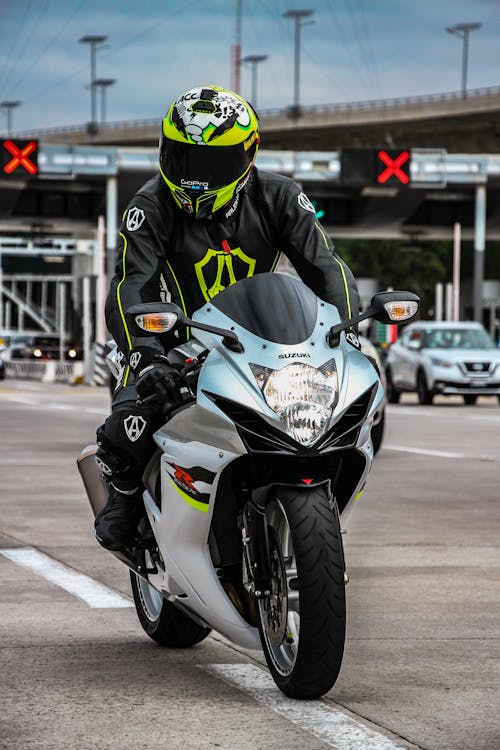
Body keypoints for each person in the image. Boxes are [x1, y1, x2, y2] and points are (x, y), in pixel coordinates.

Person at [94, 85, 359, 550]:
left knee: (352, 406)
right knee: (135, 415)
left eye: (210, 164)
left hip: (258, 337)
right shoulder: (150, 206)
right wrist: (145, 356)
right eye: (181, 157)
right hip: (171, 335)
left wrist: (348, 333)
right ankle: (125, 491)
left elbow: (325, 267)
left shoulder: (280, 196)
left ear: (248, 156)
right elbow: (129, 285)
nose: (194, 177)